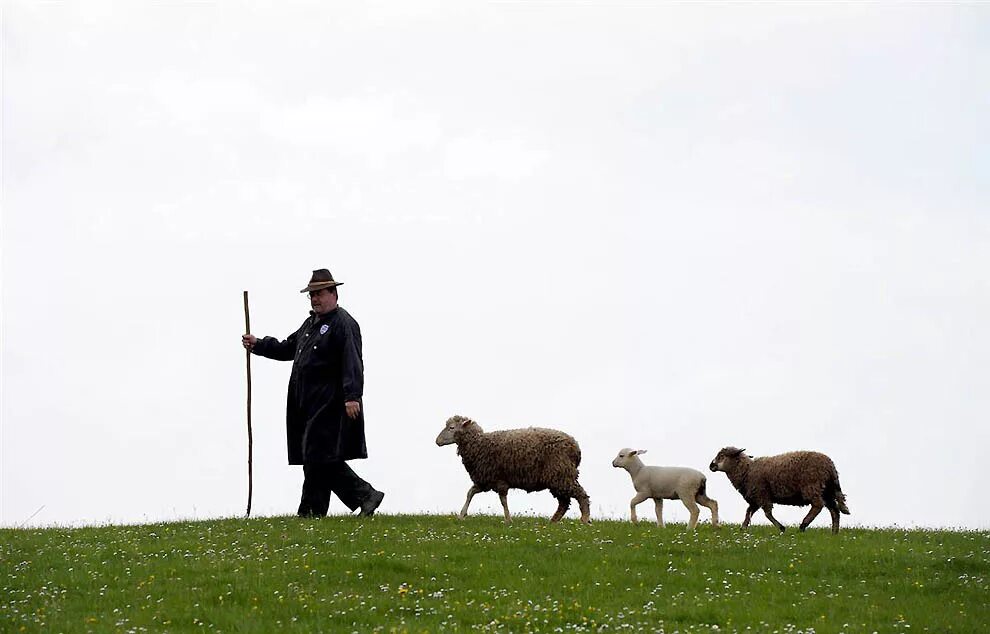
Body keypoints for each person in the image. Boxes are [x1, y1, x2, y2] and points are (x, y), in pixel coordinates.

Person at [242, 269, 385, 518]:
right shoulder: (310, 324)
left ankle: (359, 496)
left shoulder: (344, 324)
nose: (314, 299)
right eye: (311, 295)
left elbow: (353, 362)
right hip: (308, 405)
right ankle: (314, 512)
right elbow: (288, 347)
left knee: (319, 456)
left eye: (318, 294)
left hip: (331, 403)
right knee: (316, 458)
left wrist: (352, 396)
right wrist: (259, 345)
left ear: (333, 293)